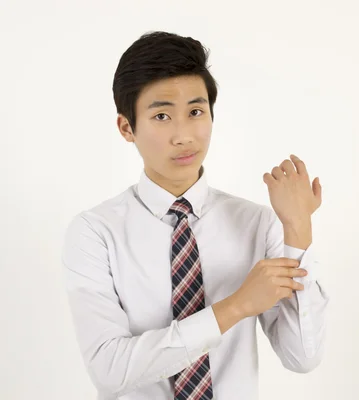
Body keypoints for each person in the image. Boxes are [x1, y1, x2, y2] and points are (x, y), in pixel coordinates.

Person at [62, 31, 329, 400]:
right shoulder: (95, 233)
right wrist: (235, 307)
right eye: (161, 116)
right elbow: (110, 370)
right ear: (127, 127)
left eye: (195, 112)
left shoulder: (256, 223)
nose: (184, 135)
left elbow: (303, 357)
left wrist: (298, 231)